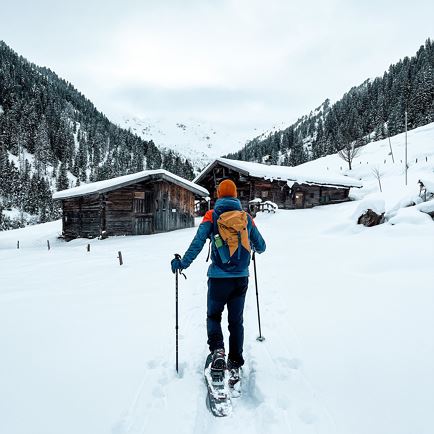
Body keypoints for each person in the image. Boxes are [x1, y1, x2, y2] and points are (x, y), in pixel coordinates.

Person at [171, 179, 266, 381]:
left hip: (218, 279)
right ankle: (235, 360)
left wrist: (182, 264)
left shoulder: (211, 216)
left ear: (219, 195)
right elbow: (262, 246)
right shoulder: (246, 218)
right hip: (241, 278)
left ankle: (218, 352)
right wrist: (253, 247)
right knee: (236, 321)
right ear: (235, 196)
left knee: (214, 317)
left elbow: (197, 243)